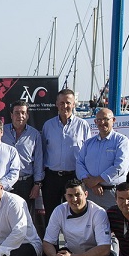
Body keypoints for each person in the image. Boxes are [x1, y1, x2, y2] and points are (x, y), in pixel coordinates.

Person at [41, 89, 91, 227]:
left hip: (74, 177)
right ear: (56, 104)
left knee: (75, 214)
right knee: (51, 216)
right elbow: (43, 152)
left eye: (68, 103)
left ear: (74, 104)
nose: (65, 106)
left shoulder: (83, 126)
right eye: (62, 102)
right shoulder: (48, 125)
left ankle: (73, 247)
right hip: (52, 178)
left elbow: (88, 154)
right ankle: (52, 247)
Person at [77, 108, 129, 209]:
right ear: (95, 122)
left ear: (113, 120)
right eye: (99, 120)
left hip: (113, 193)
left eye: (106, 119)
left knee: (114, 222)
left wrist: (97, 180)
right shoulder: (89, 143)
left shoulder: (121, 141)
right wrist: (91, 183)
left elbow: (120, 166)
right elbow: (79, 163)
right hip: (90, 192)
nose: (102, 123)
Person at [2, 101, 44, 206]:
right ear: (11, 115)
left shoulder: (34, 134)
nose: (20, 116)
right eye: (16, 112)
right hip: (5, 182)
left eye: (23, 113)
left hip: (26, 183)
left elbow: (39, 160)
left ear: (27, 115)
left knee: (25, 217)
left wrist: (37, 184)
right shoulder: (1, 132)